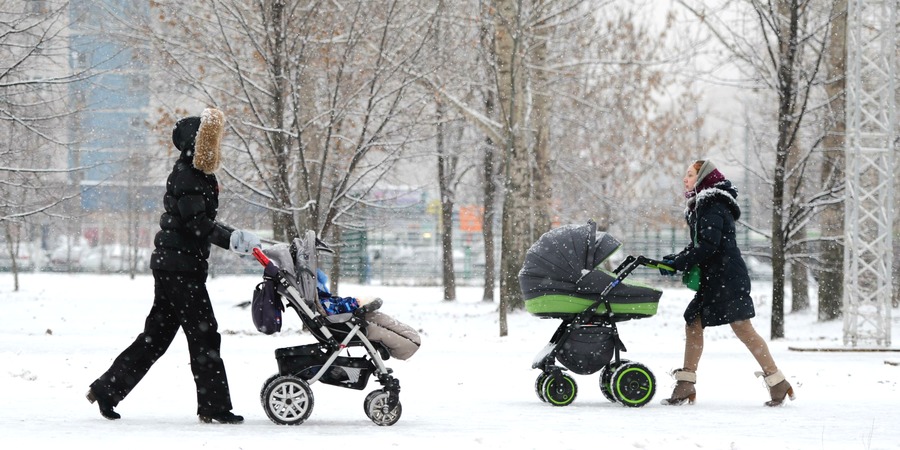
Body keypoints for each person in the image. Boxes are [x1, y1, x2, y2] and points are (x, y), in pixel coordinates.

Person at [86, 108, 260, 423]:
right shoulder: (189, 174)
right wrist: (234, 241)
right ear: (199, 142)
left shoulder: (197, 173)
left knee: (156, 336)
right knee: (205, 334)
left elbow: (203, 222)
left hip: (176, 265)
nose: (217, 145)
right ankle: (214, 406)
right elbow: (197, 223)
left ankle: (106, 389)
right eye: (212, 139)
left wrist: (236, 236)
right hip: (180, 269)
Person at [658, 160, 794, 407]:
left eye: (690, 175)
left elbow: (708, 247)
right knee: (695, 322)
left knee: (742, 328)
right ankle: (687, 383)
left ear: (703, 178)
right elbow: (701, 244)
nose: (685, 179)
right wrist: (676, 260)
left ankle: (777, 382)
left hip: (726, 278)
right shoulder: (702, 206)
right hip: (717, 278)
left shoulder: (713, 205)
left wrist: (681, 263)